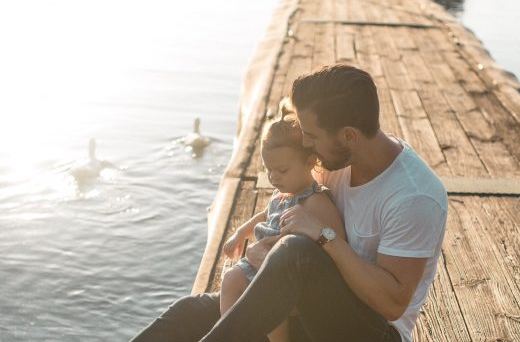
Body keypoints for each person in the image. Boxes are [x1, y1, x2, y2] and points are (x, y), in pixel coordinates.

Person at [130, 64, 448, 342]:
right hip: (307, 309)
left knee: (296, 253)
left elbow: (392, 304)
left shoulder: (413, 197)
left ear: (349, 135)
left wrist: (325, 237)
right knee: (192, 313)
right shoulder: (337, 159)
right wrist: (258, 233)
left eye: (311, 135)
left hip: (369, 331)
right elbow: (296, 200)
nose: (305, 143)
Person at [219, 102, 346, 342]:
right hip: (262, 266)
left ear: (310, 163)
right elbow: (264, 215)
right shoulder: (281, 196)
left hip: (290, 277)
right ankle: (231, 334)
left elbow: (337, 240)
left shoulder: (315, 201)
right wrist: (240, 235)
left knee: (270, 302)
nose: (274, 177)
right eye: (269, 170)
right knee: (230, 279)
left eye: (282, 170)